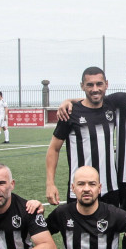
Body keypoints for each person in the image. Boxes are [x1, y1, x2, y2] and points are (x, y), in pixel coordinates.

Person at [45, 67, 118, 205]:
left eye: (99, 84)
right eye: (90, 84)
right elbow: (53, 149)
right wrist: (50, 183)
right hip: (80, 190)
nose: (95, 89)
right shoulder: (70, 113)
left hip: (110, 189)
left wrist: (69, 99)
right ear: (82, 86)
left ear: (106, 84)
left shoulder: (111, 106)